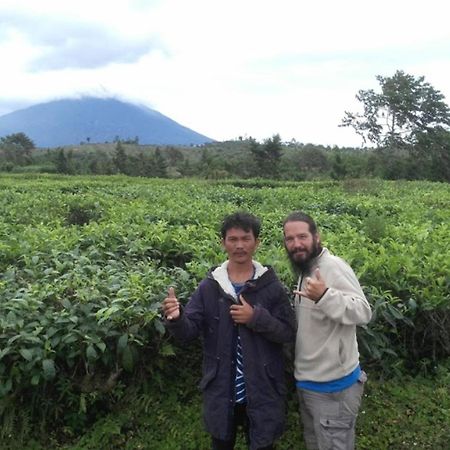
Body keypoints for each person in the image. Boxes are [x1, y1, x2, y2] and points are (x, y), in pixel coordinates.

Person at [162, 211, 296, 450]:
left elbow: (288, 332)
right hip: (222, 390)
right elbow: (189, 331)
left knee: (263, 444)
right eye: (233, 239)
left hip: (263, 389)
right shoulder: (210, 286)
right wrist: (177, 318)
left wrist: (255, 317)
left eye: (246, 239)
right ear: (223, 242)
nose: (239, 245)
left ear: (257, 242)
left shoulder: (270, 286)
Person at [282, 211, 372, 450]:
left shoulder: (332, 267)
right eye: (289, 239)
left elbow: (363, 312)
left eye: (302, 236)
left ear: (316, 237)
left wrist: (324, 296)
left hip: (335, 389)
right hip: (308, 384)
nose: (296, 244)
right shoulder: (304, 268)